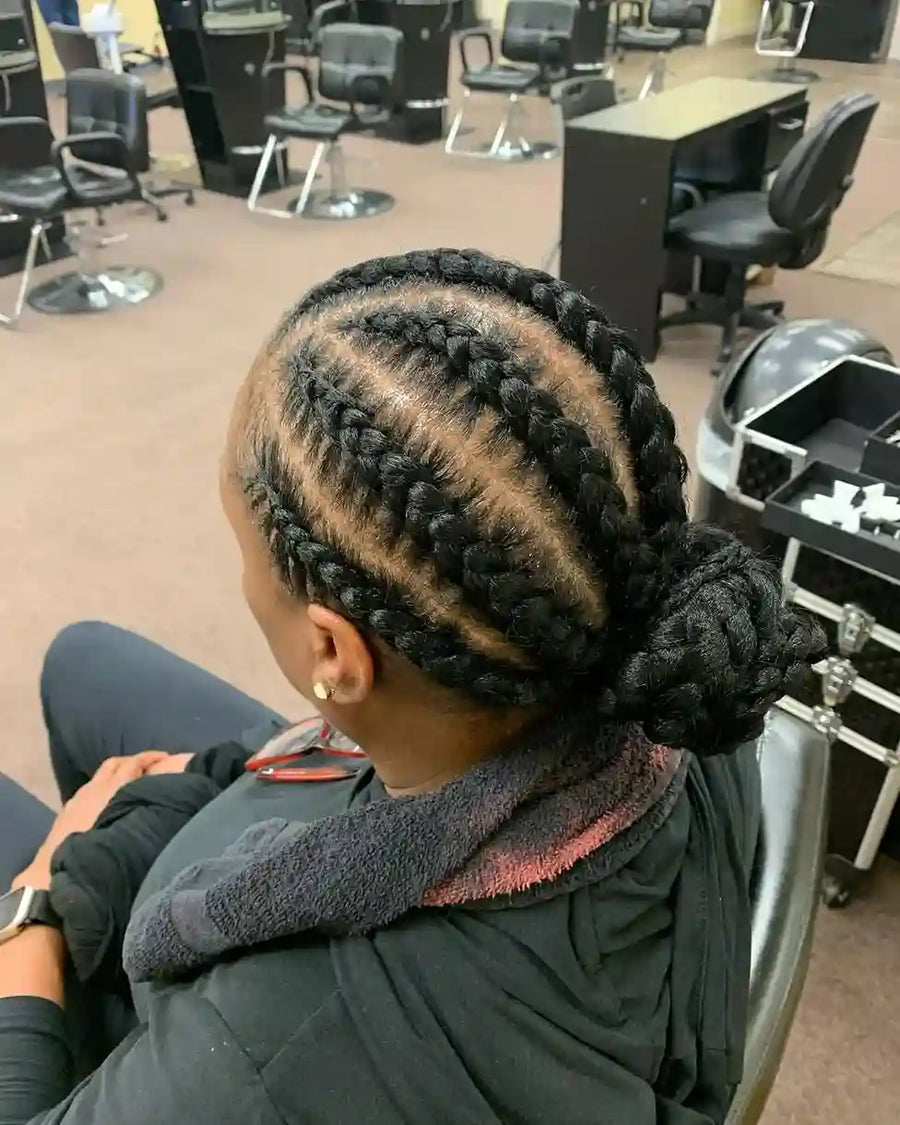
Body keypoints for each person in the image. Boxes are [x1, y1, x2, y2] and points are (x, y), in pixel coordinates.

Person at [0, 249, 823, 1124]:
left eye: (243, 553)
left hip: (282, 1021)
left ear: (335, 652)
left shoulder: (272, 1044)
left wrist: (38, 902)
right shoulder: (679, 672)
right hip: (400, 795)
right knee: (82, 658)